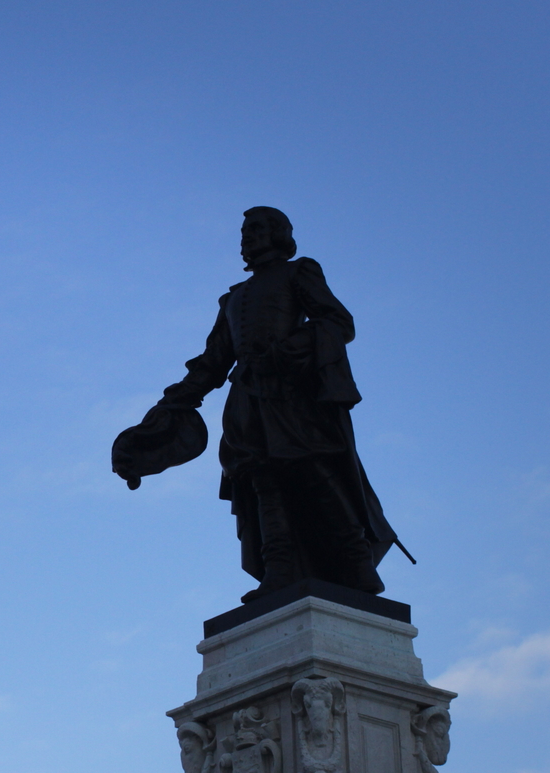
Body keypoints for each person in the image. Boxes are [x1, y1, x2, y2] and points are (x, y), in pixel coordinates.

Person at [113, 207, 405, 603]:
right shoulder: (233, 298)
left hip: (291, 393)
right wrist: (174, 402)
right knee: (262, 481)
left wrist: (293, 348)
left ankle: (356, 562)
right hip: (247, 402)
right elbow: (214, 360)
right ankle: (279, 570)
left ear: (278, 233)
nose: (246, 237)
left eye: (255, 229)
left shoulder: (299, 271)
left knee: (314, 470)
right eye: (244, 231)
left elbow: (337, 321)